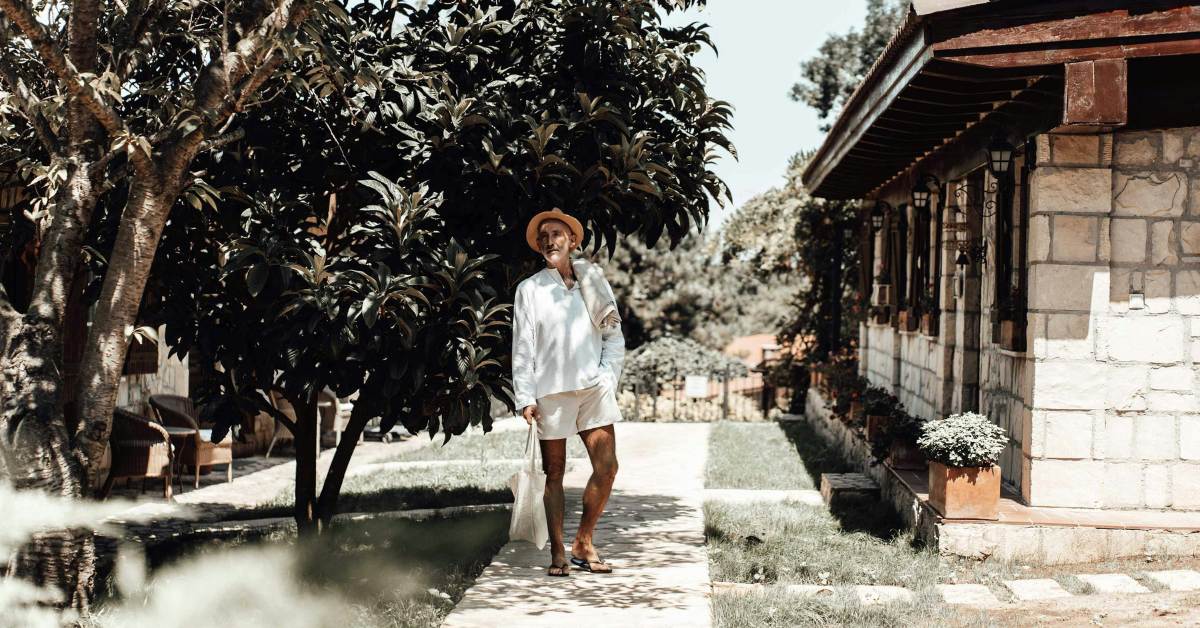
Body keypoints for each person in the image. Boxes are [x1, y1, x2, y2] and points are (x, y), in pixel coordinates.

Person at [511, 209, 625, 578]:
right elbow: (522, 348)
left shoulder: (593, 281)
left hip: (593, 389)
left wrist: (607, 377)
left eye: (556, 234)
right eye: (543, 237)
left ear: (572, 241)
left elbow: (613, 335)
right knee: (554, 472)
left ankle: (584, 541)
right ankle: (559, 550)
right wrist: (525, 396)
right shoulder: (529, 289)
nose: (549, 241)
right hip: (551, 392)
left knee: (607, 468)